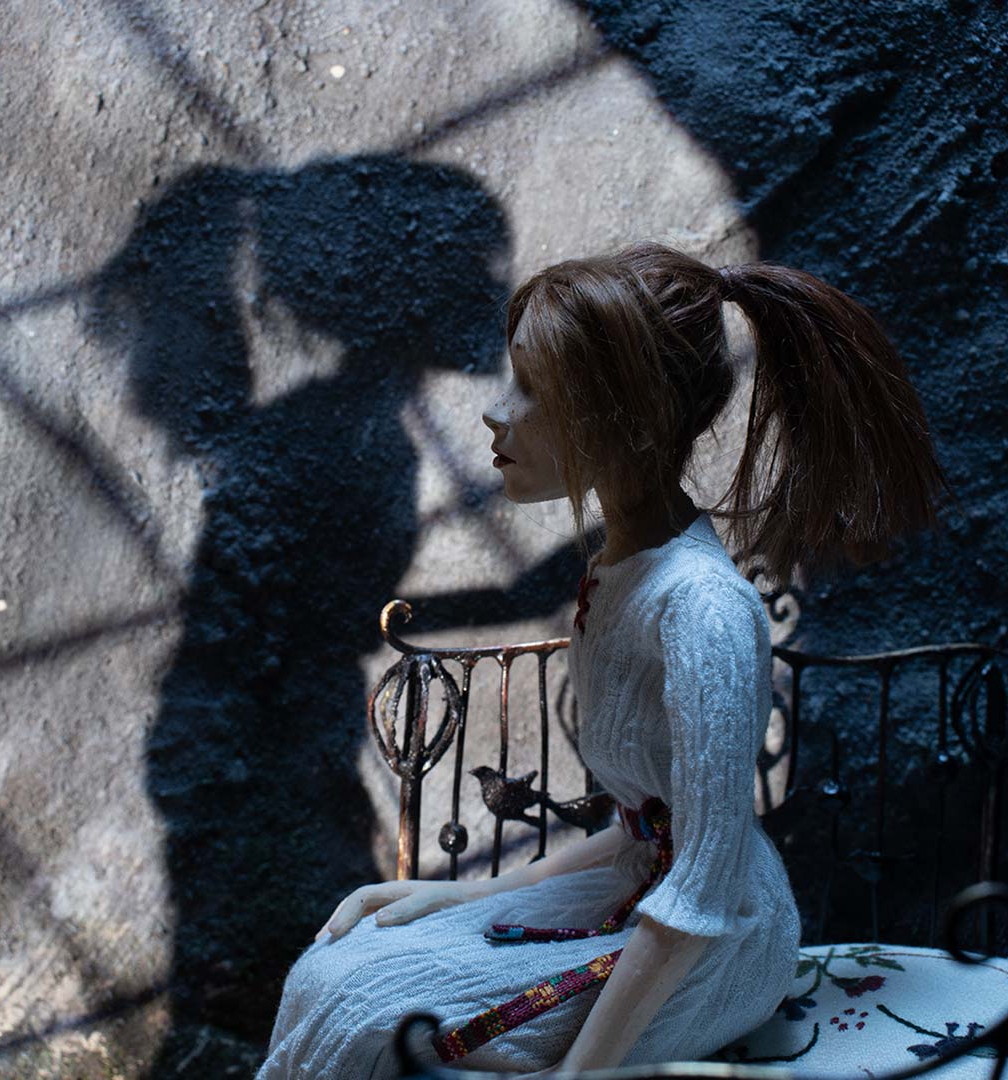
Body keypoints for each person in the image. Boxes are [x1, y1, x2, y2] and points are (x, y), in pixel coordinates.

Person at [254, 240, 950, 1077]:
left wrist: (579, 1076)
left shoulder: (701, 608)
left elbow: (700, 891)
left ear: (627, 420)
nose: (497, 414)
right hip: (640, 889)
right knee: (333, 971)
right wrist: (459, 893)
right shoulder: (621, 566)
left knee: (370, 1021)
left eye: (536, 393)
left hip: (713, 944)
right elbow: (643, 828)